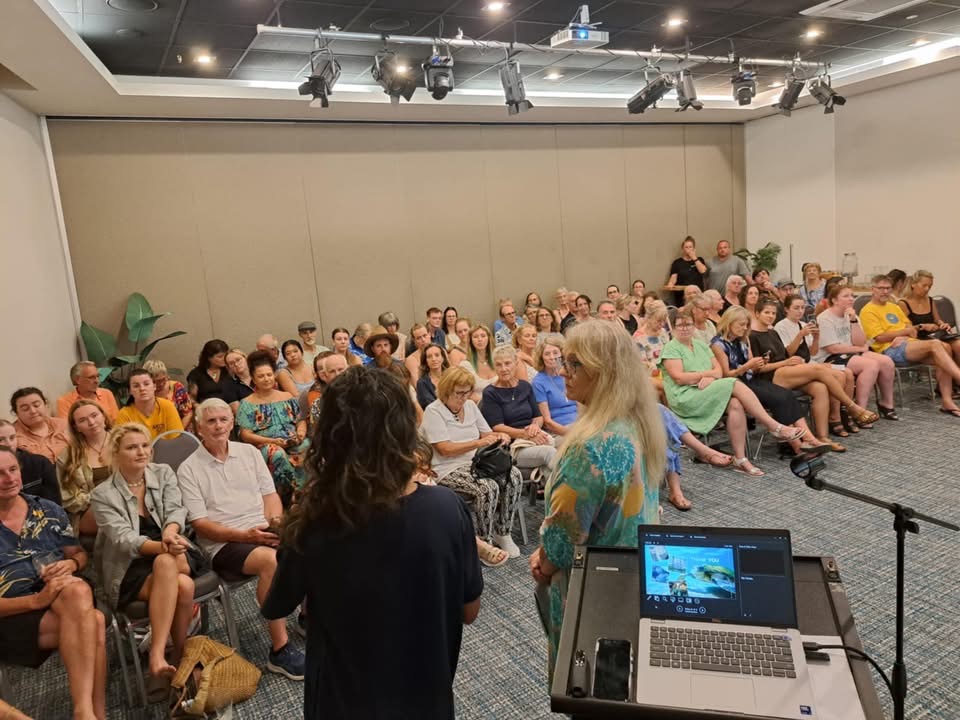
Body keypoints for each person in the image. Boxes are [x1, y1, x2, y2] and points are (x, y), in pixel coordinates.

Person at [263, 367, 481, 719]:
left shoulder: (313, 520)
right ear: (405, 430)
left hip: (342, 701)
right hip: (425, 697)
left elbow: (277, 604)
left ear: (330, 436)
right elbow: (469, 611)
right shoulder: (447, 508)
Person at [529, 321, 666, 676]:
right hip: (631, 575)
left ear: (603, 372)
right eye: (564, 362)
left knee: (586, 680)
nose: (563, 372)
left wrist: (543, 562)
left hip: (590, 589)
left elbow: (561, 545)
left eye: (575, 364)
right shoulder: (636, 422)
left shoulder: (589, 448)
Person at [178, 399, 305, 680]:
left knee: (308, 540)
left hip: (260, 528)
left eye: (223, 419)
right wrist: (246, 535)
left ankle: (306, 618)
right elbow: (201, 524)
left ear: (232, 422)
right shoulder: (188, 469)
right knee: (270, 560)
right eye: (211, 421)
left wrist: (275, 524)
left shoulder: (248, 452)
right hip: (224, 542)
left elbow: (270, 496)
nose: (218, 426)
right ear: (199, 428)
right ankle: (280, 650)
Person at [0, 446, 106, 720]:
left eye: (12, 470)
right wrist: (37, 600)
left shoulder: (48, 510)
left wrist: (71, 564)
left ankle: (85, 712)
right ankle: (92, 712)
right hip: (13, 613)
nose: (8, 478)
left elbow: (79, 555)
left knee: (77, 587)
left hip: (64, 600)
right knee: (93, 622)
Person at [90, 423, 204, 678]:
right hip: (130, 565)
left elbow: (176, 509)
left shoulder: (163, 473)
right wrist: (164, 546)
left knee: (166, 562)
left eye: (145, 446)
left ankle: (157, 653)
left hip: (172, 547)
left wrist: (169, 534)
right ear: (116, 453)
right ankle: (178, 655)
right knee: (183, 585)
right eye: (132, 447)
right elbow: (123, 540)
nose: (142, 452)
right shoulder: (102, 494)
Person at [659, 306, 805, 477]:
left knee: (735, 403)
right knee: (734, 382)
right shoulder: (671, 348)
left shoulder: (700, 345)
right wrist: (705, 376)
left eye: (688, 324)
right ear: (673, 328)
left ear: (693, 326)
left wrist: (709, 378)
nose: (685, 328)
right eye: (680, 325)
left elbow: (718, 372)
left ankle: (741, 459)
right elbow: (679, 378)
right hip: (685, 396)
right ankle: (774, 426)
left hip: (705, 390)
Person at [421, 366, 523, 558]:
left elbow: (487, 433)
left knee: (514, 475)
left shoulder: (469, 406)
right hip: (446, 468)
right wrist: (478, 442)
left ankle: (503, 532)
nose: (464, 397)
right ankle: (484, 543)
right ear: (446, 390)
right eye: (459, 393)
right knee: (487, 487)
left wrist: (500, 435)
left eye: (467, 392)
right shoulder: (433, 411)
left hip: (474, 463)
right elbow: (445, 449)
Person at [751, 299, 878, 447]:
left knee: (821, 387)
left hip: (788, 369)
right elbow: (757, 368)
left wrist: (793, 358)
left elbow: (787, 353)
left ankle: (822, 437)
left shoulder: (772, 333)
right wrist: (786, 361)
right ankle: (852, 407)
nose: (770, 316)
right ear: (757, 313)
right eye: (767, 313)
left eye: (773, 313)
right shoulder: (753, 336)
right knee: (819, 369)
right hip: (771, 376)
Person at [711, 307, 825, 456]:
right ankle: (799, 445)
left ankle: (808, 439)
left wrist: (759, 363)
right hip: (735, 384)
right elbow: (726, 375)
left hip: (751, 379)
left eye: (746, 324)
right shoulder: (718, 345)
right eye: (741, 324)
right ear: (729, 323)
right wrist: (747, 367)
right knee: (779, 399)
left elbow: (753, 366)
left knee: (786, 395)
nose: (744, 328)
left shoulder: (744, 340)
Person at [860, 274, 960, 417]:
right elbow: (880, 338)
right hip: (889, 350)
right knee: (936, 344)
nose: (885, 292)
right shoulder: (868, 310)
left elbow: (911, 328)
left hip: (908, 345)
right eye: (881, 288)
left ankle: (947, 401)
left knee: (946, 347)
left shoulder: (893, 307)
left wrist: (902, 334)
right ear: (873, 290)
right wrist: (904, 332)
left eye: (888, 288)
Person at [236, 351, 308, 505]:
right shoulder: (247, 403)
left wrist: (300, 434)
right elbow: (245, 435)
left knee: (308, 445)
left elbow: (300, 420)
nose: (266, 379)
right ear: (254, 379)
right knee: (276, 454)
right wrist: (272, 440)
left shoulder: (287, 396)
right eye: (261, 376)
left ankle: (308, 493)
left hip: (292, 440)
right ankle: (289, 497)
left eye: (269, 374)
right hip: (265, 444)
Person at [818, 285, 898, 419]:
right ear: (834, 300)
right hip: (830, 357)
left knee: (886, 362)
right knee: (871, 366)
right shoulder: (825, 318)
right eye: (846, 296)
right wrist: (859, 349)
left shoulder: (852, 315)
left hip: (850, 351)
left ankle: (886, 403)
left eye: (852, 296)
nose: (851, 299)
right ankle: (860, 410)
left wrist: (854, 320)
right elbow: (833, 348)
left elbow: (860, 341)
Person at [481, 346, 557, 483]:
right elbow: (497, 427)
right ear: (495, 367)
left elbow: (538, 416)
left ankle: (555, 496)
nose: (503, 369)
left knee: (569, 447)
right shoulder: (490, 393)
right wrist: (525, 434)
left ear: (516, 364)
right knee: (549, 453)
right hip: (512, 446)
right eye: (499, 365)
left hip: (534, 435)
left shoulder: (525, 386)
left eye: (507, 363)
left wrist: (534, 427)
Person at [56, 401, 113, 535]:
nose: (92, 422)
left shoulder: (124, 441)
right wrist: (102, 498)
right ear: (76, 428)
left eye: (95, 415)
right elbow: (68, 499)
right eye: (83, 420)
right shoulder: (68, 456)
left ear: (104, 416)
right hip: (91, 511)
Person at [900, 269, 960, 364]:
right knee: (945, 347)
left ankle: (956, 378)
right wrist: (922, 326)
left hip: (934, 336)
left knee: (958, 345)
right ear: (913, 284)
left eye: (930, 286)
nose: (927, 289)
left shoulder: (929, 300)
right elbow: (903, 329)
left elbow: (937, 320)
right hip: (917, 339)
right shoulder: (903, 304)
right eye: (924, 285)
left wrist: (943, 324)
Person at [0, 420, 60, 505]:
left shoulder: (40, 464)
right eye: (0, 440)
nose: (9, 444)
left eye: (12, 437)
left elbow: (54, 505)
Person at [116, 370, 184, 439]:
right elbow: (121, 445)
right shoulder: (124, 415)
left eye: (146, 384)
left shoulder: (167, 406)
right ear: (130, 391)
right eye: (136, 386)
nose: (142, 388)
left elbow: (177, 440)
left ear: (154, 386)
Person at [531, 335, 577, 436]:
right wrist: (572, 435)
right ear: (541, 358)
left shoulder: (570, 374)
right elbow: (548, 422)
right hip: (560, 430)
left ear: (562, 354)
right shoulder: (538, 382)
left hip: (579, 424)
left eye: (555, 353)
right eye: (547, 354)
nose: (552, 357)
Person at [11, 387, 70, 462]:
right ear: (16, 413)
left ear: (45, 404)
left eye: (36, 405)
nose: (33, 411)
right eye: (25, 409)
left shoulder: (63, 424)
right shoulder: (12, 436)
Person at [303, 352, 348, 434]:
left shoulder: (361, 393)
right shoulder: (318, 403)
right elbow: (318, 434)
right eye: (332, 371)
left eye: (341, 369)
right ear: (325, 375)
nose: (338, 374)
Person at [142, 359, 194, 430]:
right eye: (155, 381)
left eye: (163, 379)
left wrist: (177, 432)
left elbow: (188, 413)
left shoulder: (177, 388)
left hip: (179, 429)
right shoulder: (143, 392)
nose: (160, 384)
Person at [187, 339, 235, 404]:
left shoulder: (230, 370)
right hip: (206, 409)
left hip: (230, 408)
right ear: (209, 358)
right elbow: (191, 397)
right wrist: (197, 406)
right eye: (220, 356)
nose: (224, 358)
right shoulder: (196, 373)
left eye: (226, 355)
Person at [459, 324, 497, 400]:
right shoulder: (465, 365)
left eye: (483, 336)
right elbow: (465, 394)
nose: (480, 339)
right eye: (475, 337)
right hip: (478, 406)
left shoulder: (498, 360)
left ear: (489, 338)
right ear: (471, 341)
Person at [666, 236, 708, 305]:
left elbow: (703, 271)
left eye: (690, 247)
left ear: (694, 249)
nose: (688, 249)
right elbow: (673, 278)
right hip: (682, 296)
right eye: (686, 247)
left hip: (697, 296)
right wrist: (671, 284)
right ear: (683, 249)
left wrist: (694, 257)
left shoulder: (700, 259)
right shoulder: (677, 262)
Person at [416, 344, 449, 410]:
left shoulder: (452, 377)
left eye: (437, 355)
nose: (433, 359)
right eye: (429, 357)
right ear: (426, 361)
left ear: (443, 358)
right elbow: (430, 406)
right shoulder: (422, 383)